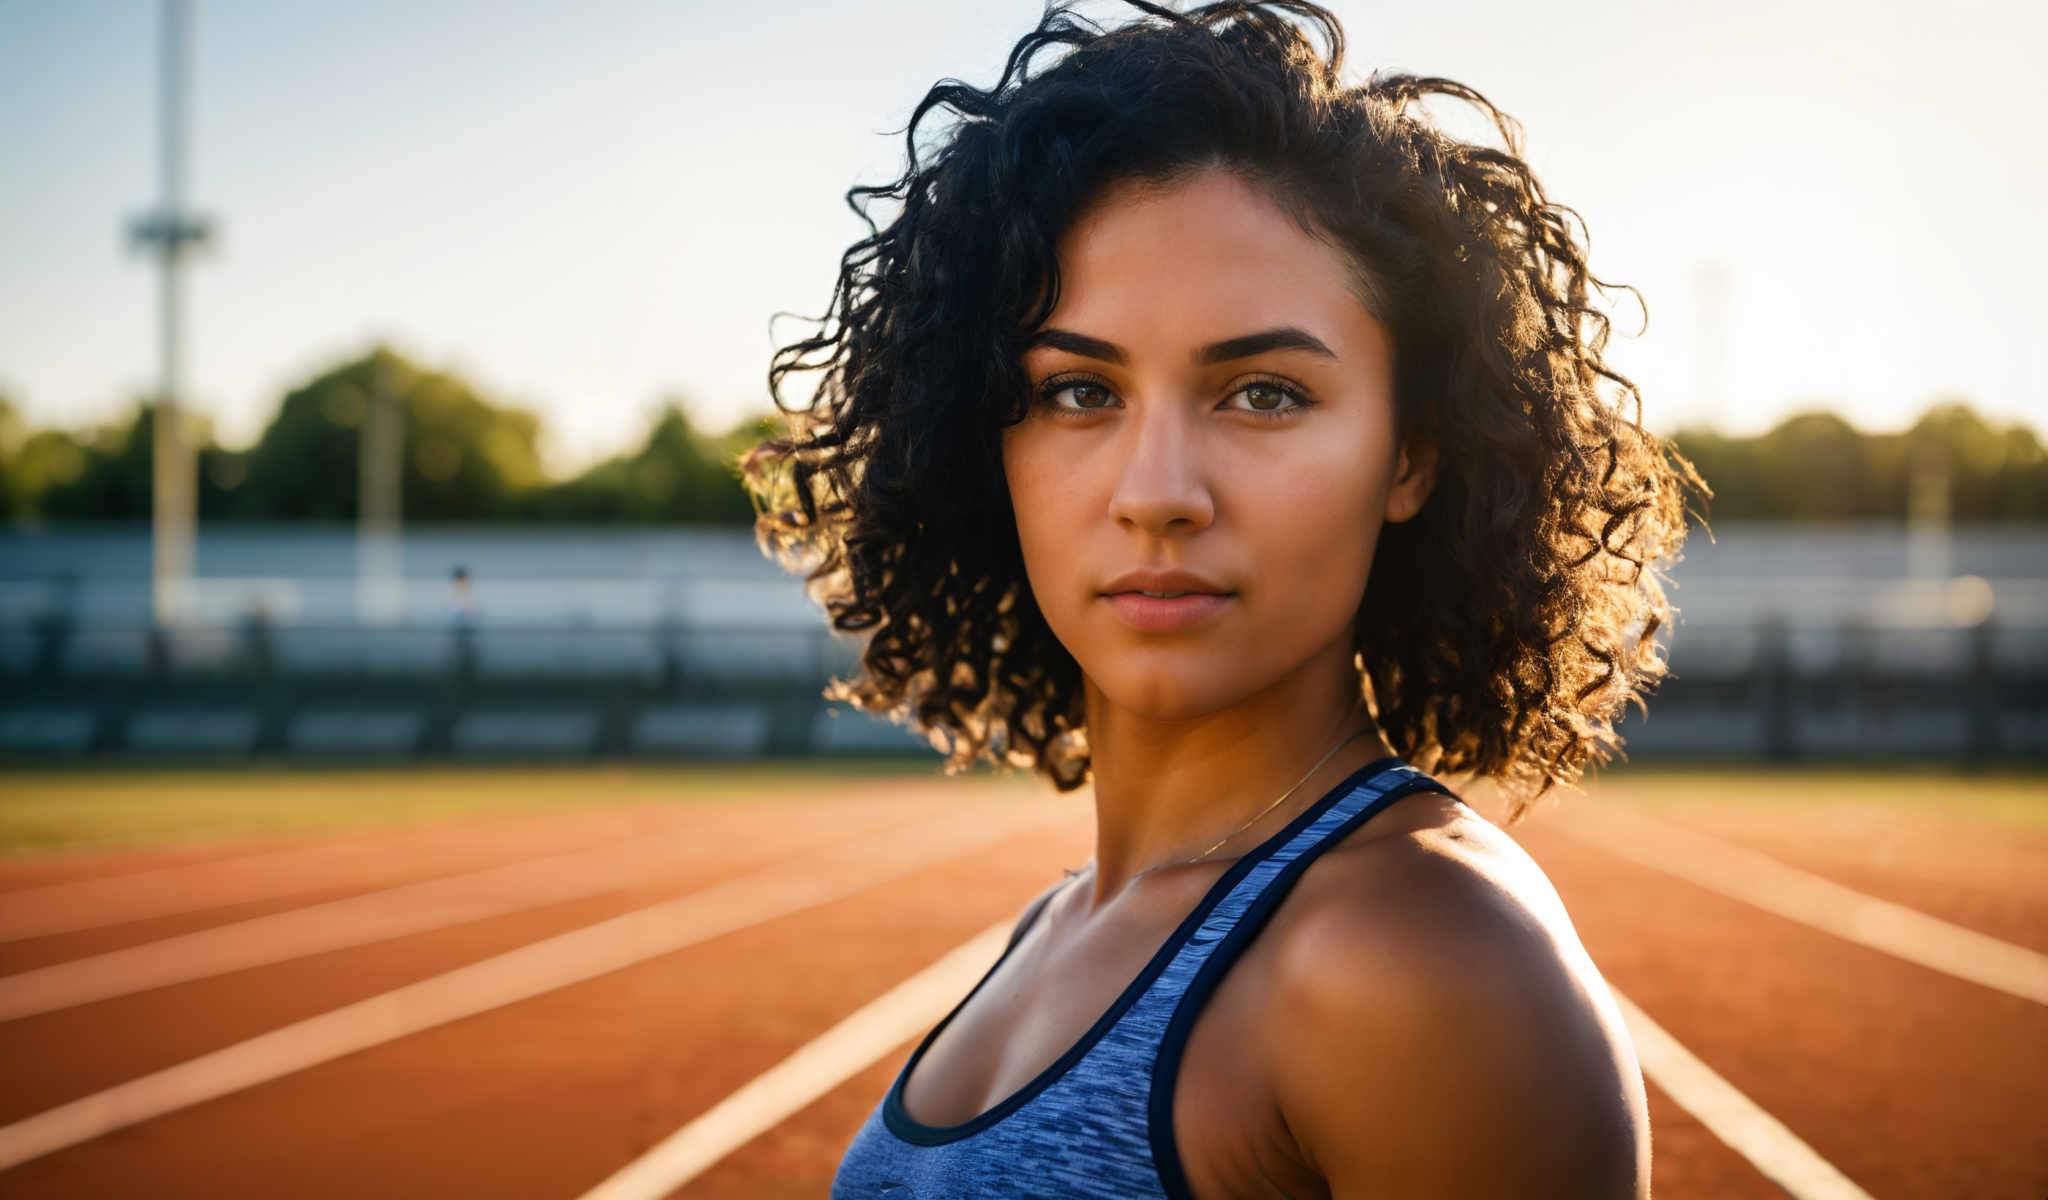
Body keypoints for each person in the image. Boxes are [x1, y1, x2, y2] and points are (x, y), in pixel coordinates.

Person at [745, 2, 1703, 1195]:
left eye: (1262, 393)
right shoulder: (1059, 924)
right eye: (1076, 393)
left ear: (1410, 454)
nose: (1156, 495)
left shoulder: (1418, 959)